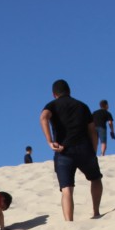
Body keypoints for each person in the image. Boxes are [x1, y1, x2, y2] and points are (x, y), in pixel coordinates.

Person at [40, 79, 103, 221]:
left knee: (66, 189)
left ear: (54, 94)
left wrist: (50, 141)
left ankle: (69, 221)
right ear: (69, 91)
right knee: (95, 179)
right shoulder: (82, 106)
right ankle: (96, 211)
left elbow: (43, 117)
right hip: (84, 148)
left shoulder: (52, 105)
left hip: (63, 151)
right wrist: (93, 150)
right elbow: (92, 131)